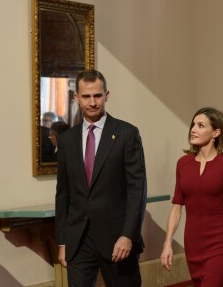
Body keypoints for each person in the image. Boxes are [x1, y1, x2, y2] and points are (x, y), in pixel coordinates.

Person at [55, 69, 147, 287]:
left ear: (106, 95)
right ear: (76, 98)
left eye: (97, 95)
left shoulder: (126, 134)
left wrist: (128, 235)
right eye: (86, 96)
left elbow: (137, 190)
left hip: (118, 241)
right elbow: (63, 195)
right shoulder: (67, 140)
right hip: (78, 241)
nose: (92, 102)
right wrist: (62, 241)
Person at [160, 107, 223, 287]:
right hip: (192, 244)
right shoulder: (183, 163)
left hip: (220, 244)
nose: (193, 129)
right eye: (193, 125)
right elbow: (176, 208)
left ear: (216, 132)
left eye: (200, 125)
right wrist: (167, 243)